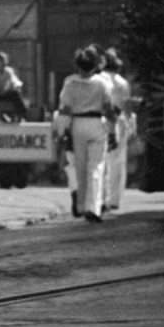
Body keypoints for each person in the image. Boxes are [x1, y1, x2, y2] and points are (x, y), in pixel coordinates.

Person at [51, 46, 116, 222]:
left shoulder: (70, 83)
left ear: (77, 66)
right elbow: (109, 109)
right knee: (96, 166)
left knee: (80, 167)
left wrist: (62, 131)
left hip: (77, 124)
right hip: (96, 123)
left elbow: (64, 109)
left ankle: (80, 205)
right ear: (95, 66)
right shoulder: (103, 83)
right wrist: (112, 130)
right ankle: (93, 207)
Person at [99, 49, 135, 215]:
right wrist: (131, 125)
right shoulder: (122, 82)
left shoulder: (98, 80)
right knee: (117, 162)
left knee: (99, 161)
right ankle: (113, 200)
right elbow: (127, 108)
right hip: (118, 120)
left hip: (100, 121)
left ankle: (99, 198)